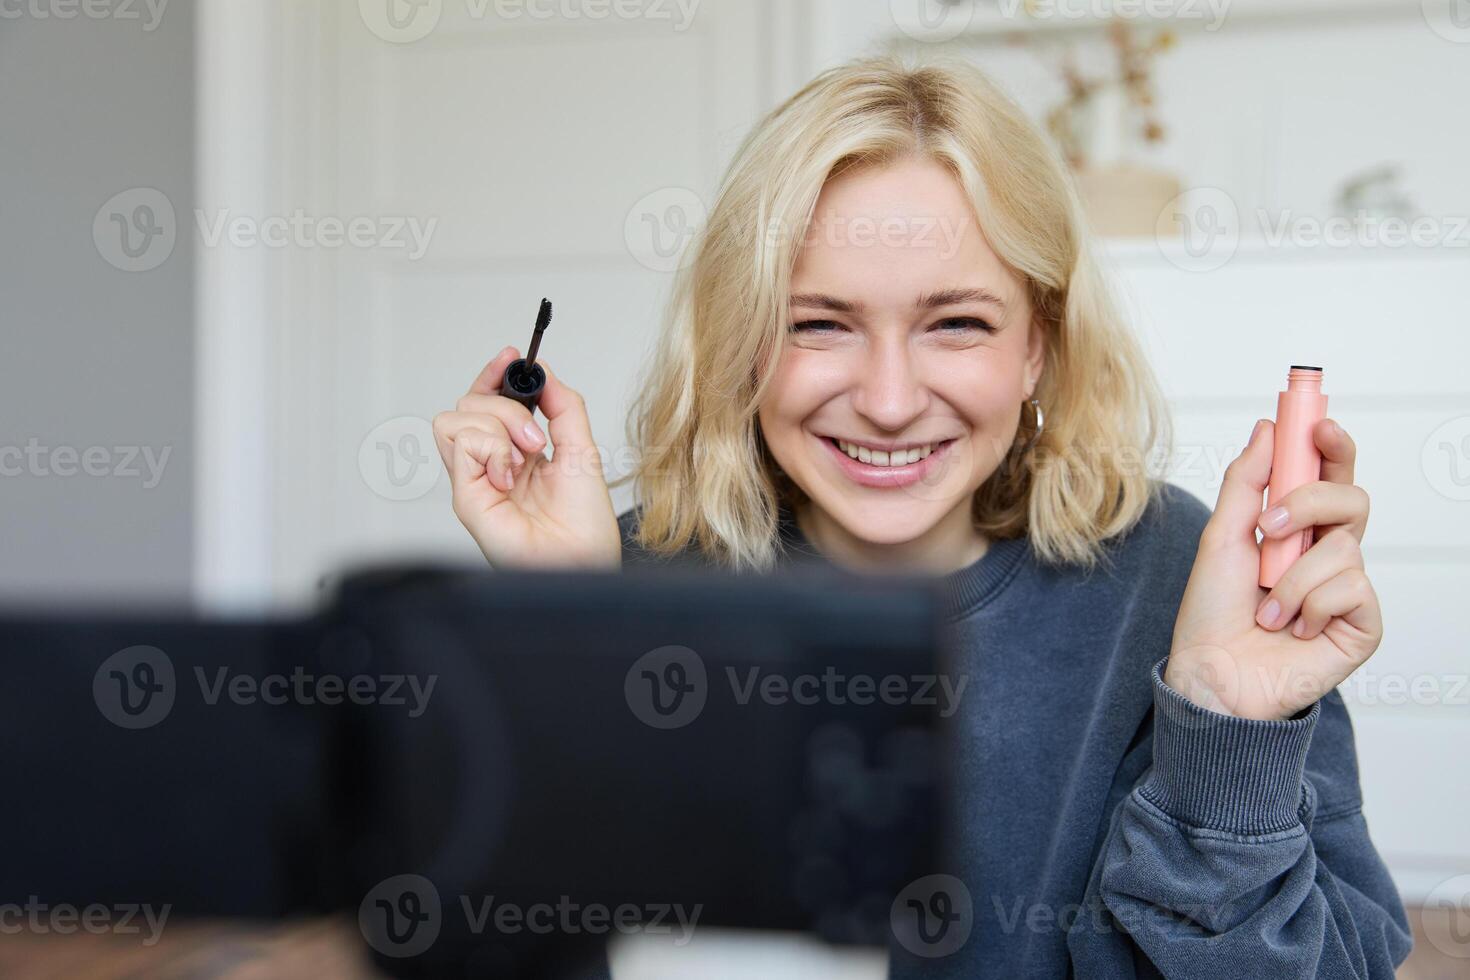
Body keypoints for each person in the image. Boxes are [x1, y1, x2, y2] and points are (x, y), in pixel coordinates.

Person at [430, 55, 1412, 977]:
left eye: (957, 323)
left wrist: (1224, 731)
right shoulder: (627, 573)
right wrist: (563, 636)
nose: (891, 400)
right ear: (741, 343)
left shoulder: (1181, 578)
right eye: (818, 322)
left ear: (1039, 345)